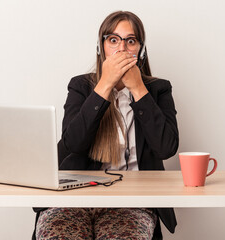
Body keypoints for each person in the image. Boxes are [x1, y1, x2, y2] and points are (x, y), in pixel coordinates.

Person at [32, 10, 179, 240]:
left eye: (130, 41)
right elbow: (73, 143)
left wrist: (139, 90)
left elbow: (166, 148)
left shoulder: (159, 89)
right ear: (101, 48)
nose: (121, 49)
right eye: (113, 40)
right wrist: (104, 86)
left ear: (141, 50)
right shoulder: (81, 86)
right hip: (73, 200)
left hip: (132, 203)